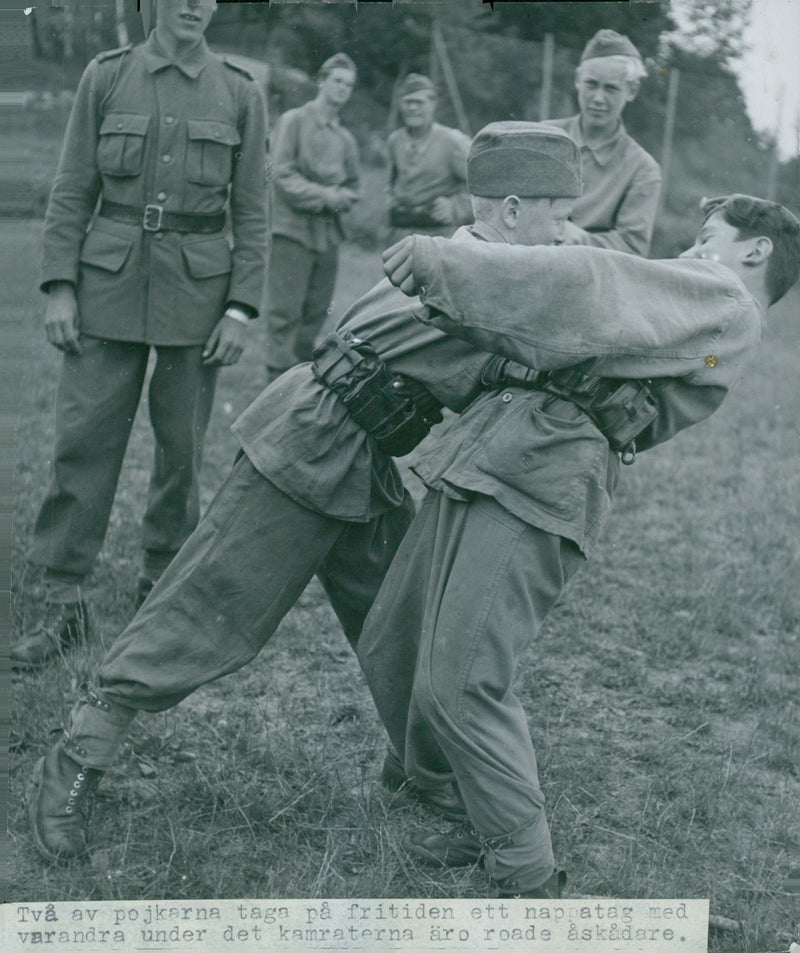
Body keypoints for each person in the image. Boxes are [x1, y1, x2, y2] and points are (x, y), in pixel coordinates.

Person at [24, 122, 585, 865]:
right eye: (556, 212)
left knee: (407, 621)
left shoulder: (480, 262)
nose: (567, 231)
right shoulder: (476, 270)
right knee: (203, 611)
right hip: (313, 439)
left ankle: (430, 780)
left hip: (367, 457)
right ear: (511, 211)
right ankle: (74, 759)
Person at [357, 194, 800, 898]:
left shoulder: (723, 298)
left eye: (707, 234)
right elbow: (564, 325)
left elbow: (593, 285)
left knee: (462, 677)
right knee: (400, 636)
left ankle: (525, 871)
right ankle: (449, 800)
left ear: (755, 252)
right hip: (500, 448)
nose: (691, 247)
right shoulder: (699, 308)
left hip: (544, 466)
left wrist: (452, 265)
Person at [12, 0, 269, 669]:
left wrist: (241, 307)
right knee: (83, 442)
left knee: (181, 450)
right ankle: (61, 601)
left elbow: (253, 209)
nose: (193, 5)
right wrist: (60, 285)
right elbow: (72, 188)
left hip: (198, 293)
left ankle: (162, 596)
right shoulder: (106, 76)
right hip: (107, 285)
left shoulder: (239, 92)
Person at [264, 52, 360, 383]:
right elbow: (282, 175)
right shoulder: (293, 121)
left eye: (349, 84)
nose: (342, 89)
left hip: (327, 235)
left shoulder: (345, 139)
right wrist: (326, 196)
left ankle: (298, 383)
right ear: (321, 81)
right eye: (337, 80)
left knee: (317, 312)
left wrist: (343, 197)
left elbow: (353, 185)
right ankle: (275, 384)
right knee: (284, 312)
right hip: (291, 230)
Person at [547, 28, 661, 256]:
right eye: (591, 84)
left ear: (632, 90)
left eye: (611, 88)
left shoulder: (643, 169)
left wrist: (580, 239)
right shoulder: (543, 136)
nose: (598, 98)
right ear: (578, 80)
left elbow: (633, 246)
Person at [386, 73, 473, 243]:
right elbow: (391, 184)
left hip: (438, 236)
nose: (412, 108)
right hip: (400, 235)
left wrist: (455, 207)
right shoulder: (395, 141)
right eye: (407, 102)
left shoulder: (452, 141)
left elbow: (481, 184)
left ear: (433, 104)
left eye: (419, 102)